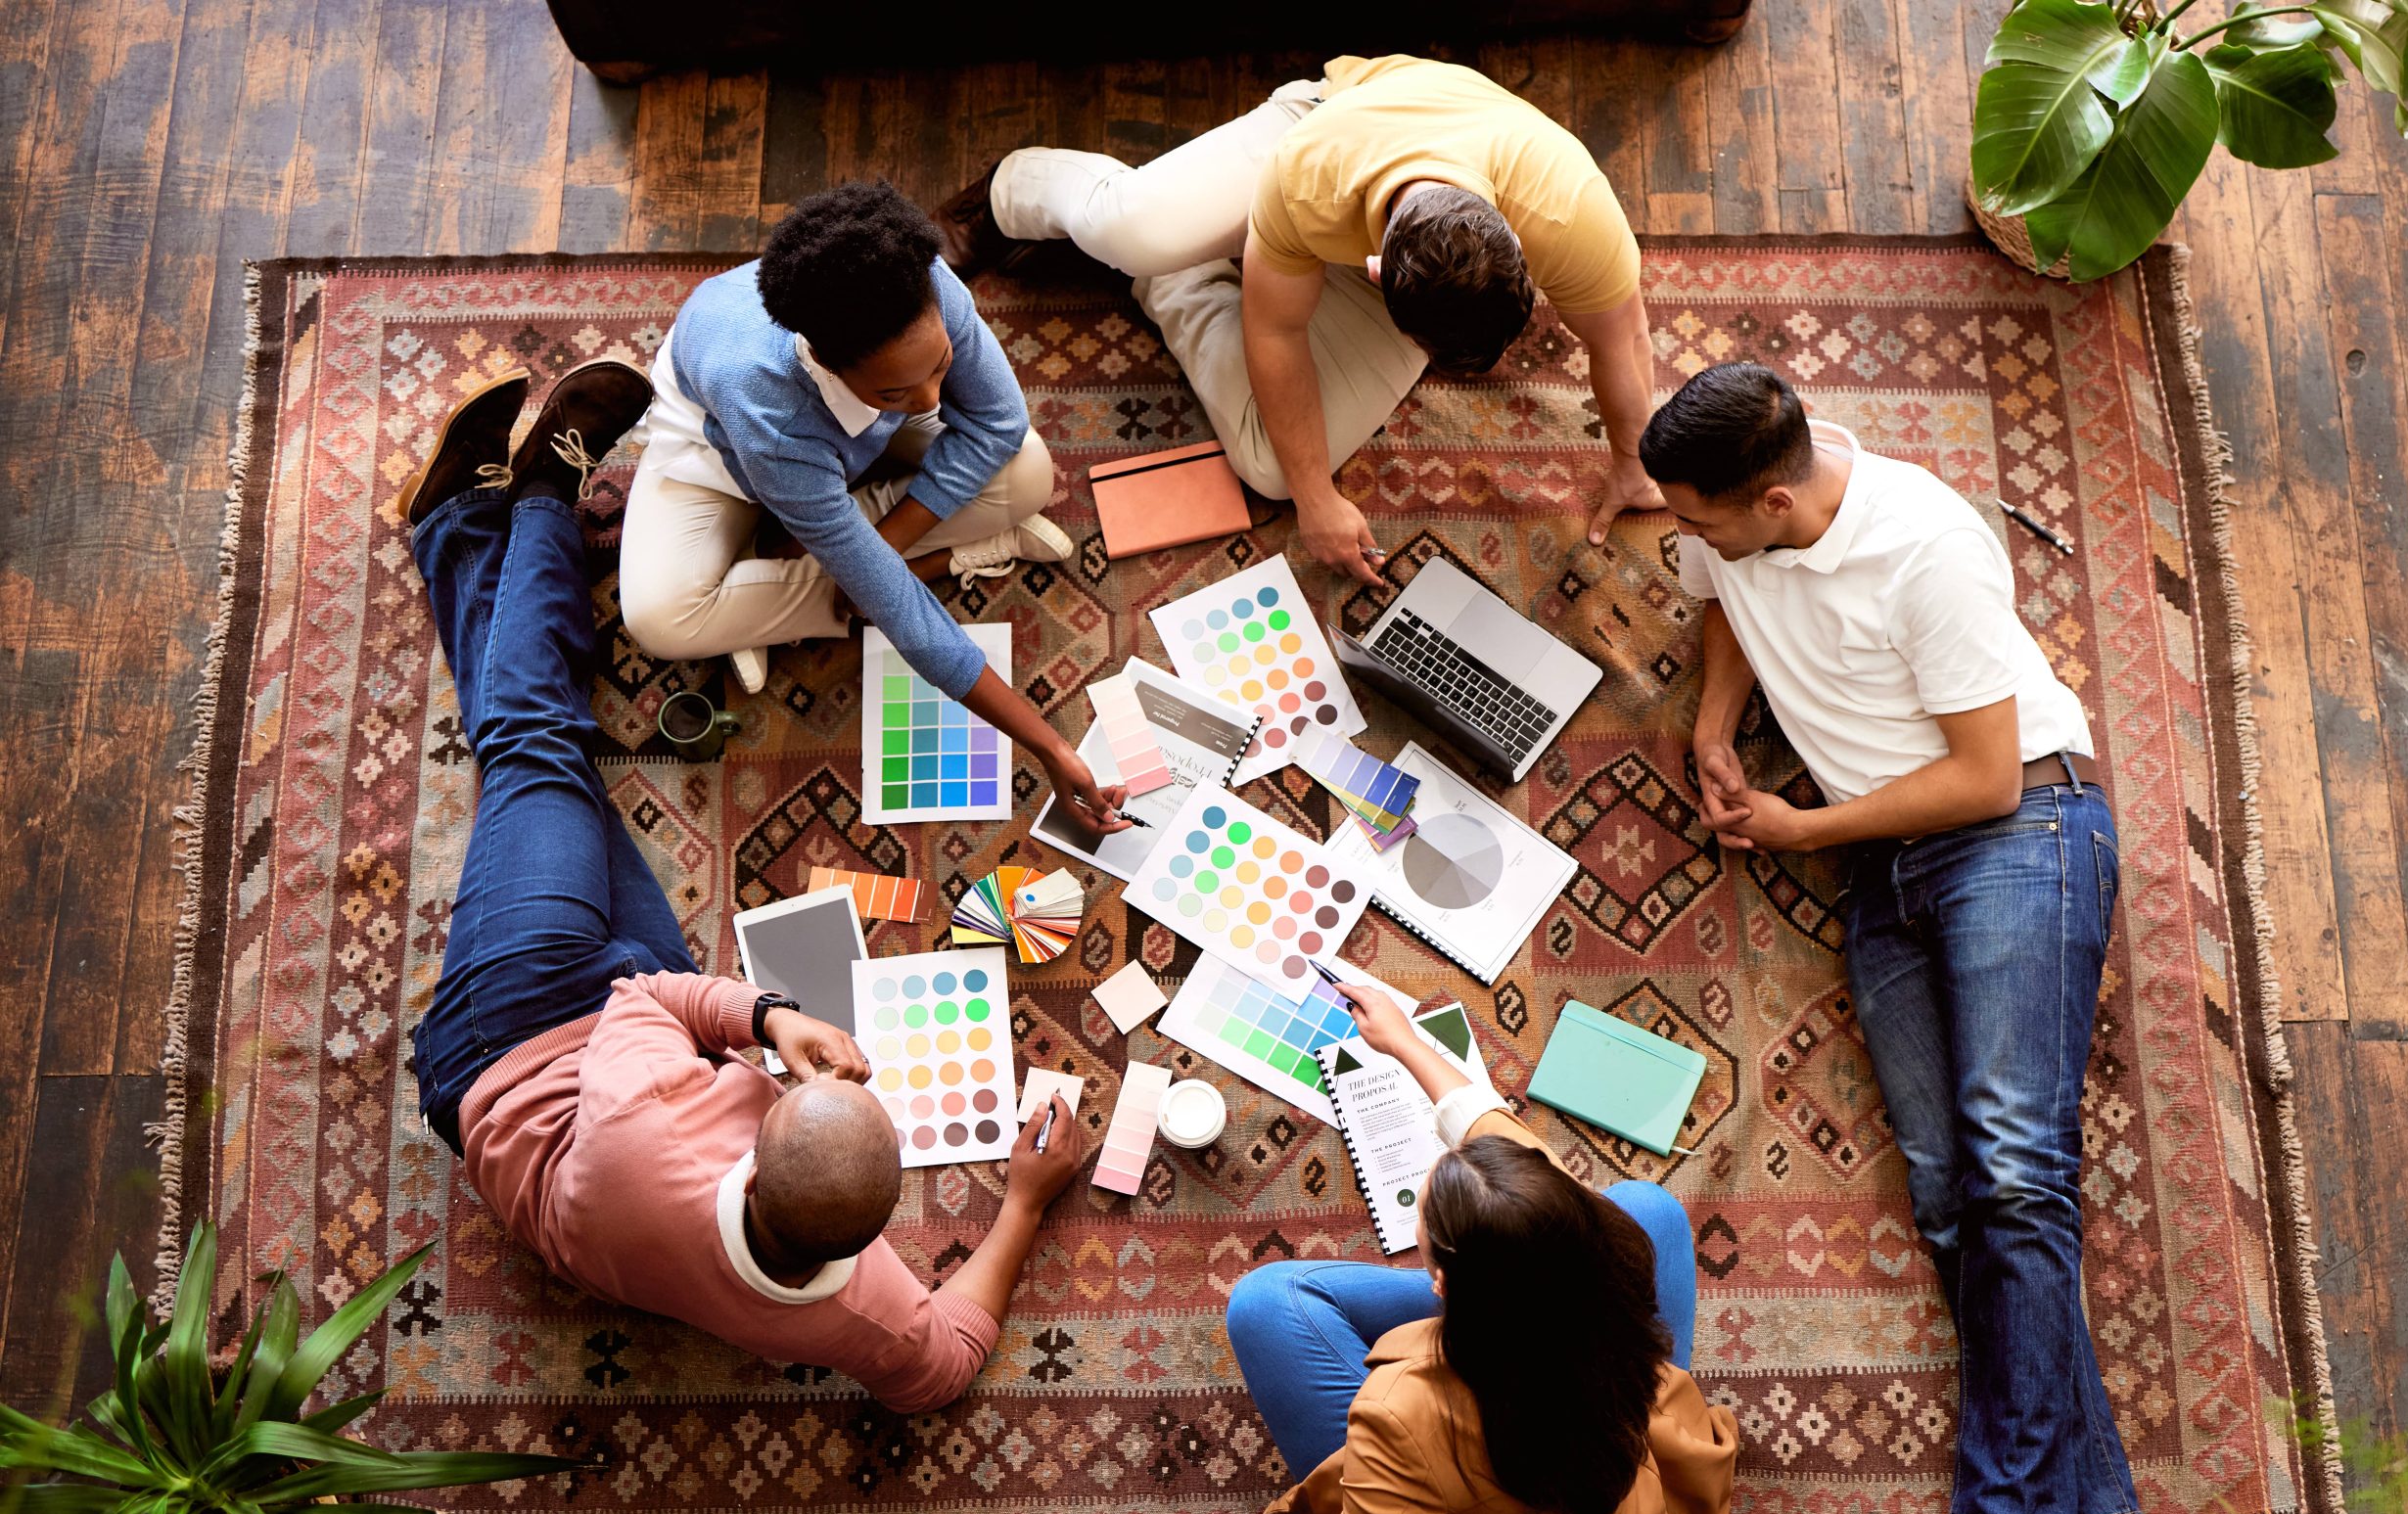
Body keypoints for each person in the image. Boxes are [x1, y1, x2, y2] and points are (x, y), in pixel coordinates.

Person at [1639, 360, 2170, 1514]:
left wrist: (1806, 828)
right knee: (1954, 1196)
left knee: (2012, 1167)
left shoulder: (1926, 549)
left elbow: (1986, 774)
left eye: (1700, 520)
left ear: (1773, 494)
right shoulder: (1736, 531)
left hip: (2017, 837)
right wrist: (1712, 723)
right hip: (1887, 870)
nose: (1683, 541)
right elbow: (1727, 607)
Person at [399, 363, 1090, 1414]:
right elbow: (943, 1367)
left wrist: (766, 1017)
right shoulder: (857, 1303)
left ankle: (531, 498)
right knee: (563, 781)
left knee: (540, 747)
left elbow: (644, 1003)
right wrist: (1027, 1204)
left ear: (756, 1156)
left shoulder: (652, 1117)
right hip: (619, 1052)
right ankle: (459, 520)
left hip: (506, 1047)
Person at [935, 54, 1663, 586]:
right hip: (1319, 128)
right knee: (1128, 228)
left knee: (1273, 466)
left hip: (1402, 226)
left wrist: (1633, 460)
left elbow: (1622, 334)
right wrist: (1322, 505)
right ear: (1380, 279)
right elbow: (1274, 331)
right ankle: (1011, 191)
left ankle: (1176, 277)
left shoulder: (1571, 214)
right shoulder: (1309, 175)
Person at [1225, 986, 1737, 1514]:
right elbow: (1506, 1147)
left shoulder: (1400, 1411)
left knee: (1262, 1302)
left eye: (1425, 1224)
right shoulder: (1608, 1251)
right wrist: (1406, 1043)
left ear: (1442, 1286)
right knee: (1649, 1206)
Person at [619, 181, 1127, 837]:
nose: (930, 401)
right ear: (826, 360)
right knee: (659, 619)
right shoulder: (772, 413)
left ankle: (803, 571)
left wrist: (881, 545)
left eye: (940, 366)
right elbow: (908, 622)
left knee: (1027, 470)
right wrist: (1051, 747)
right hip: (720, 456)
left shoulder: (926, 285)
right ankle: (872, 555)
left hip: (840, 450)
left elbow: (997, 422)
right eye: (897, 387)